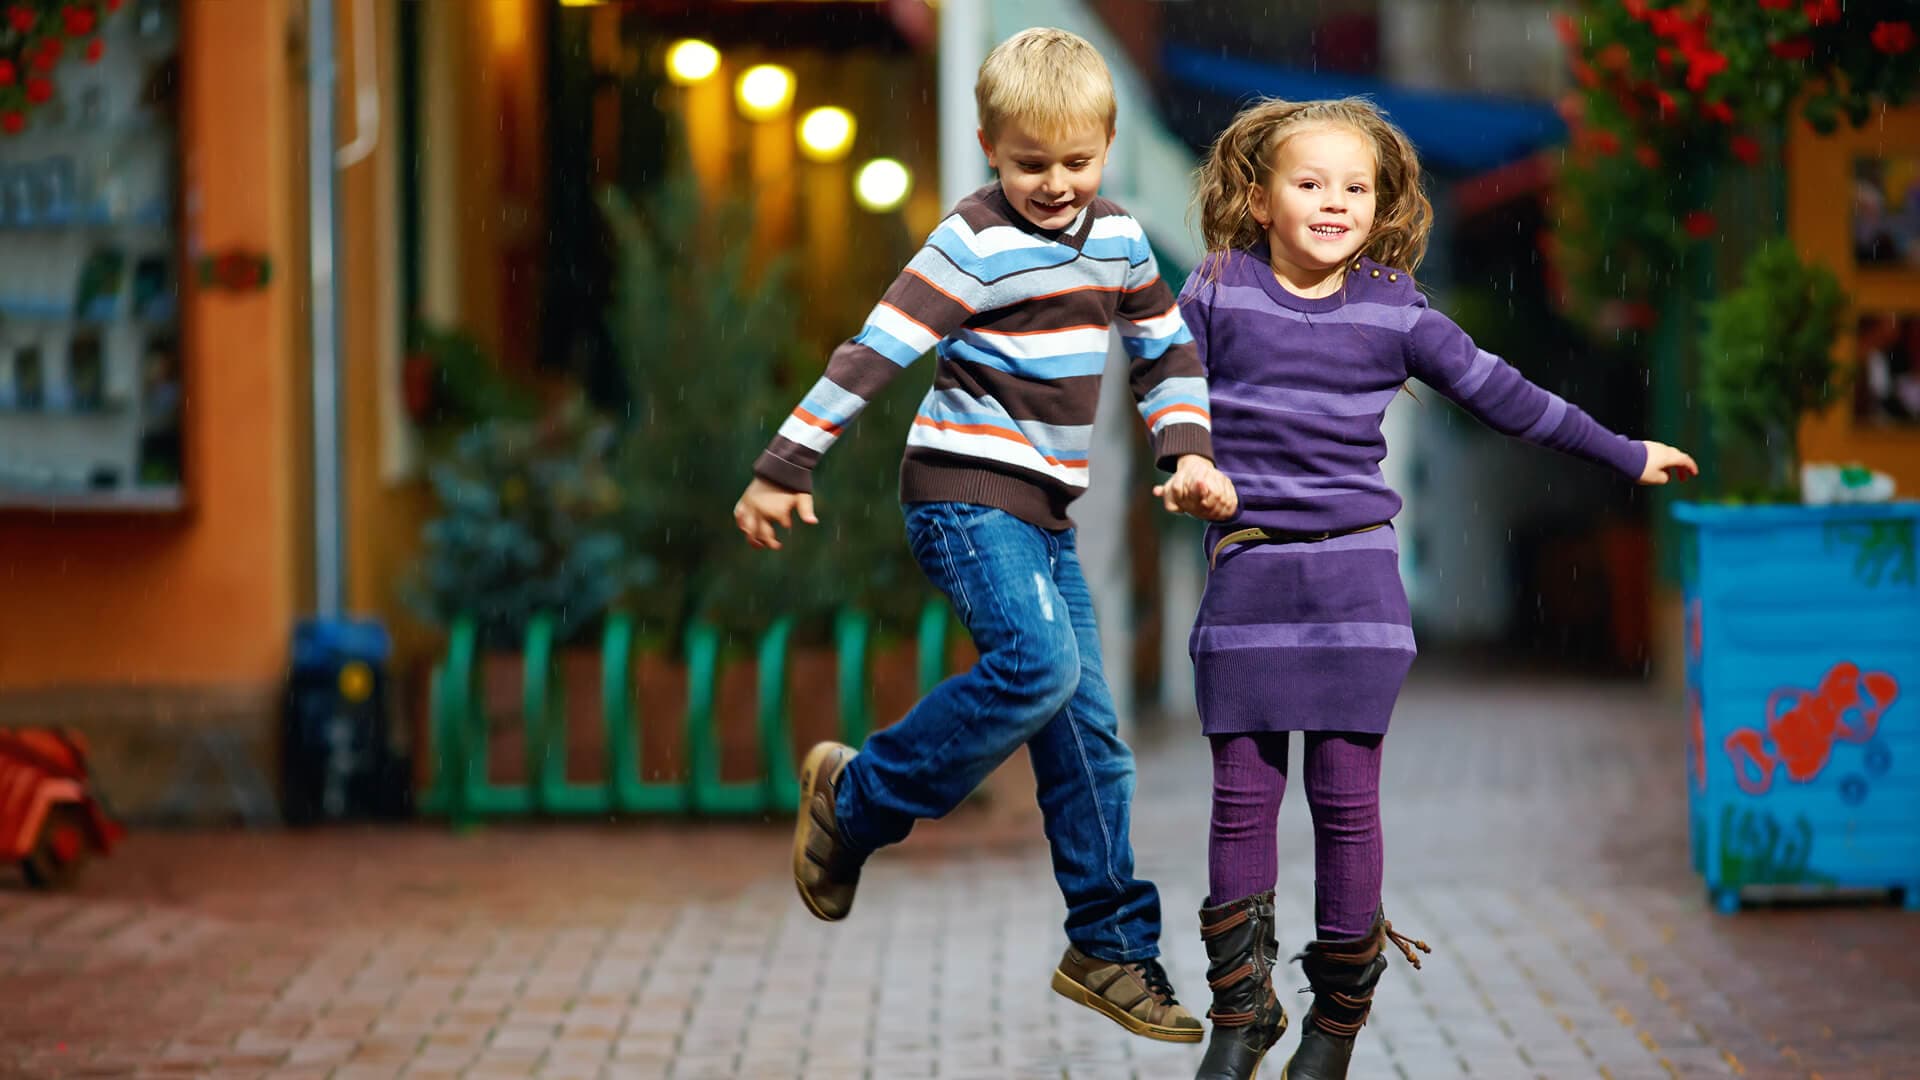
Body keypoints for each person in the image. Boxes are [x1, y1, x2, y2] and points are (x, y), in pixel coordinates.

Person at [731, 27, 1236, 1044]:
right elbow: (875, 349)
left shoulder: (1122, 239)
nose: (1054, 185)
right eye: (1028, 163)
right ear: (987, 147)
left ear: (1106, 143)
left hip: (1045, 520)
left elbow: (1165, 352)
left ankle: (1110, 947)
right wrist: (787, 462)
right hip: (962, 499)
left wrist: (1187, 449)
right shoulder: (969, 241)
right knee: (1040, 667)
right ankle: (858, 796)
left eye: (1076, 163)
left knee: (1093, 739)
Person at [1176, 97, 1698, 1080]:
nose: (1335, 203)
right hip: (1247, 577)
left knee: (1344, 801)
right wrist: (1181, 452)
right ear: (1258, 194)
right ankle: (1242, 1012)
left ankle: (1335, 1025)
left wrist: (1623, 453)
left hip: (1354, 587)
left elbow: (1511, 397)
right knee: (1241, 801)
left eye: (1356, 188)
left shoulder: (1396, 308)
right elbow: (1155, 376)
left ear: (1382, 206)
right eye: (1310, 182)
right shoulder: (1215, 288)